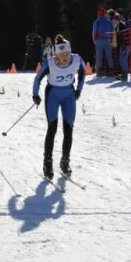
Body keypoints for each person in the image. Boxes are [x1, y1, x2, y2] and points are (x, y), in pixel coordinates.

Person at [32, 34, 86, 180]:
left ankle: (65, 161)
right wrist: (35, 94)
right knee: (53, 128)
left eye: (67, 53)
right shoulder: (50, 63)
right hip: (53, 95)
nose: (65, 56)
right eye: (62, 53)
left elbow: (82, 73)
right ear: (56, 53)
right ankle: (47, 163)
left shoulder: (76, 59)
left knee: (68, 129)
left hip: (68, 94)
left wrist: (79, 89)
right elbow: (38, 78)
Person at [92, 8, 114, 77]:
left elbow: (94, 32)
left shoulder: (96, 21)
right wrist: (112, 41)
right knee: (109, 56)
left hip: (99, 40)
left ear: (99, 14)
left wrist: (94, 40)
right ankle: (111, 71)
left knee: (99, 56)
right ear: (104, 14)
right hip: (108, 40)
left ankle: (99, 72)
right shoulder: (109, 21)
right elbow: (112, 31)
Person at [113, 13, 130, 81]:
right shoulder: (117, 27)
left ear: (119, 20)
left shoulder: (122, 26)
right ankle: (123, 74)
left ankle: (125, 76)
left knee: (123, 60)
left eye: (116, 20)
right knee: (121, 59)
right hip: (121, 45)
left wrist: (123, 46)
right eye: (114, 20)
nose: (115, 22)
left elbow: (125, 37)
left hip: (124, 46)